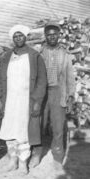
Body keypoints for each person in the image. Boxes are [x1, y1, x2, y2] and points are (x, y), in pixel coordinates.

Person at [0, 25, 47, 175]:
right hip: (9, 100)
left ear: (26, 37)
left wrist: (37, 101)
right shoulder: (7, 56)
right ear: (12, 39)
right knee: (10, 130)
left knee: (23, 133)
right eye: (15, 36)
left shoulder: (34, 56)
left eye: (21, 36)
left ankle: (23, 162)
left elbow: (41, 81)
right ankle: (13, 160)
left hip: (26, 101)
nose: (18, 38)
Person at [29, 22, 76, 171]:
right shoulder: (39, 53)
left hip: (58, 92)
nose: (52, 37)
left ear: (59, 35)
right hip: (42, 93)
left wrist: (70, 97)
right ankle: (36, 154)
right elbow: (33, 76)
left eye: (54, 34)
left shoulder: (65, 54)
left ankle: (57, 156)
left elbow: (70, 77)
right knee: (38, 124)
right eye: (49, 35)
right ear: (45, 36)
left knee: (57, 126)